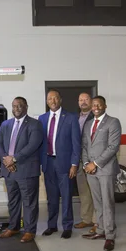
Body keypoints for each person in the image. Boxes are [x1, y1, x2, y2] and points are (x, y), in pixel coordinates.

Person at [0, 97, 43, 243]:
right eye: (14, 106)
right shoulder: (5, 124)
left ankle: (29, 231)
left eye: (20, 106)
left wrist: (14, 158)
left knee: (29, 202)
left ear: (26, 107)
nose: (17, 108)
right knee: (13, 201)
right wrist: (6, 159)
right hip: (9, 171)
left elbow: (32, 145)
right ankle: (13, 227)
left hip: (27, 170)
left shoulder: (35, 124)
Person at [38, 89, 81, 239]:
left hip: (65, 164)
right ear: (47, 101)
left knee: (67, 196)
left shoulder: (71, 118)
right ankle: (52, 226)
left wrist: (74, 164)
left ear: (60, 100)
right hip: (48, 163)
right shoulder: (42, 119)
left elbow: (76, 143)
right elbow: (40, 143)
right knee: (52, 197)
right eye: (50, 99)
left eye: (55, 98)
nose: (53, 101)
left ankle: (67, 226)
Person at [81, 96, 121, 251]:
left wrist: (95, 164)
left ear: (105, 106)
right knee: (97, 203)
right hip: (90, 170)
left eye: (99, 104)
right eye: (94, 105)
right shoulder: (88, 124)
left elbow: (113, 147)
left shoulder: (113, 122)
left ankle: (110, 236)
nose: (96, 107)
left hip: (105, 169)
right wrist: (86, 164)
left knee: (107, 203)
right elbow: (84, 146)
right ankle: (100, 230)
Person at [74, 92, 96, 233]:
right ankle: (86, 219)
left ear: (91, 101)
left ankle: (97, 221)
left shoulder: (96, 117)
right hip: (79, 159)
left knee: (96, 191)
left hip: (93, 160)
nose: (83, 102)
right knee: (83, 190)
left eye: (86, 99)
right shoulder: (75, 118)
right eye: (81, 99)